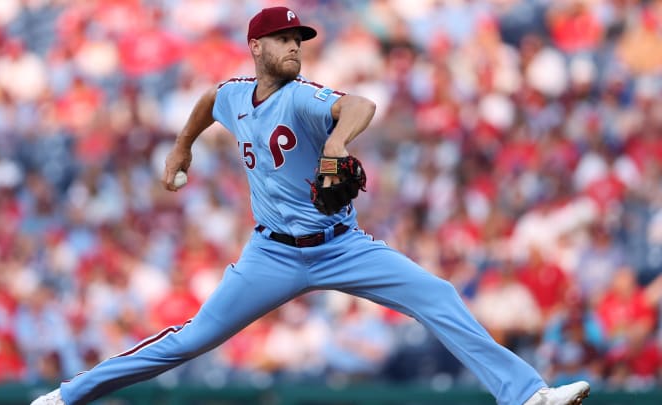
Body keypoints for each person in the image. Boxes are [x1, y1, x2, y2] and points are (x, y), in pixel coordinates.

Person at [32, 6, 590, 405]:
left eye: (299, 38)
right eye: (282, 39)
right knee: (190, 340)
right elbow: (208, 101)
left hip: (340, 246)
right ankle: (67, 396)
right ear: (257, 48)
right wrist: (182, 147)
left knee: (437, 294)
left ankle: (526, 394)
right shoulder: (234, 95)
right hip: (270, 256)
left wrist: (337, 142)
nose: (294, 46)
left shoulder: (302, 96)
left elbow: (361, 104)